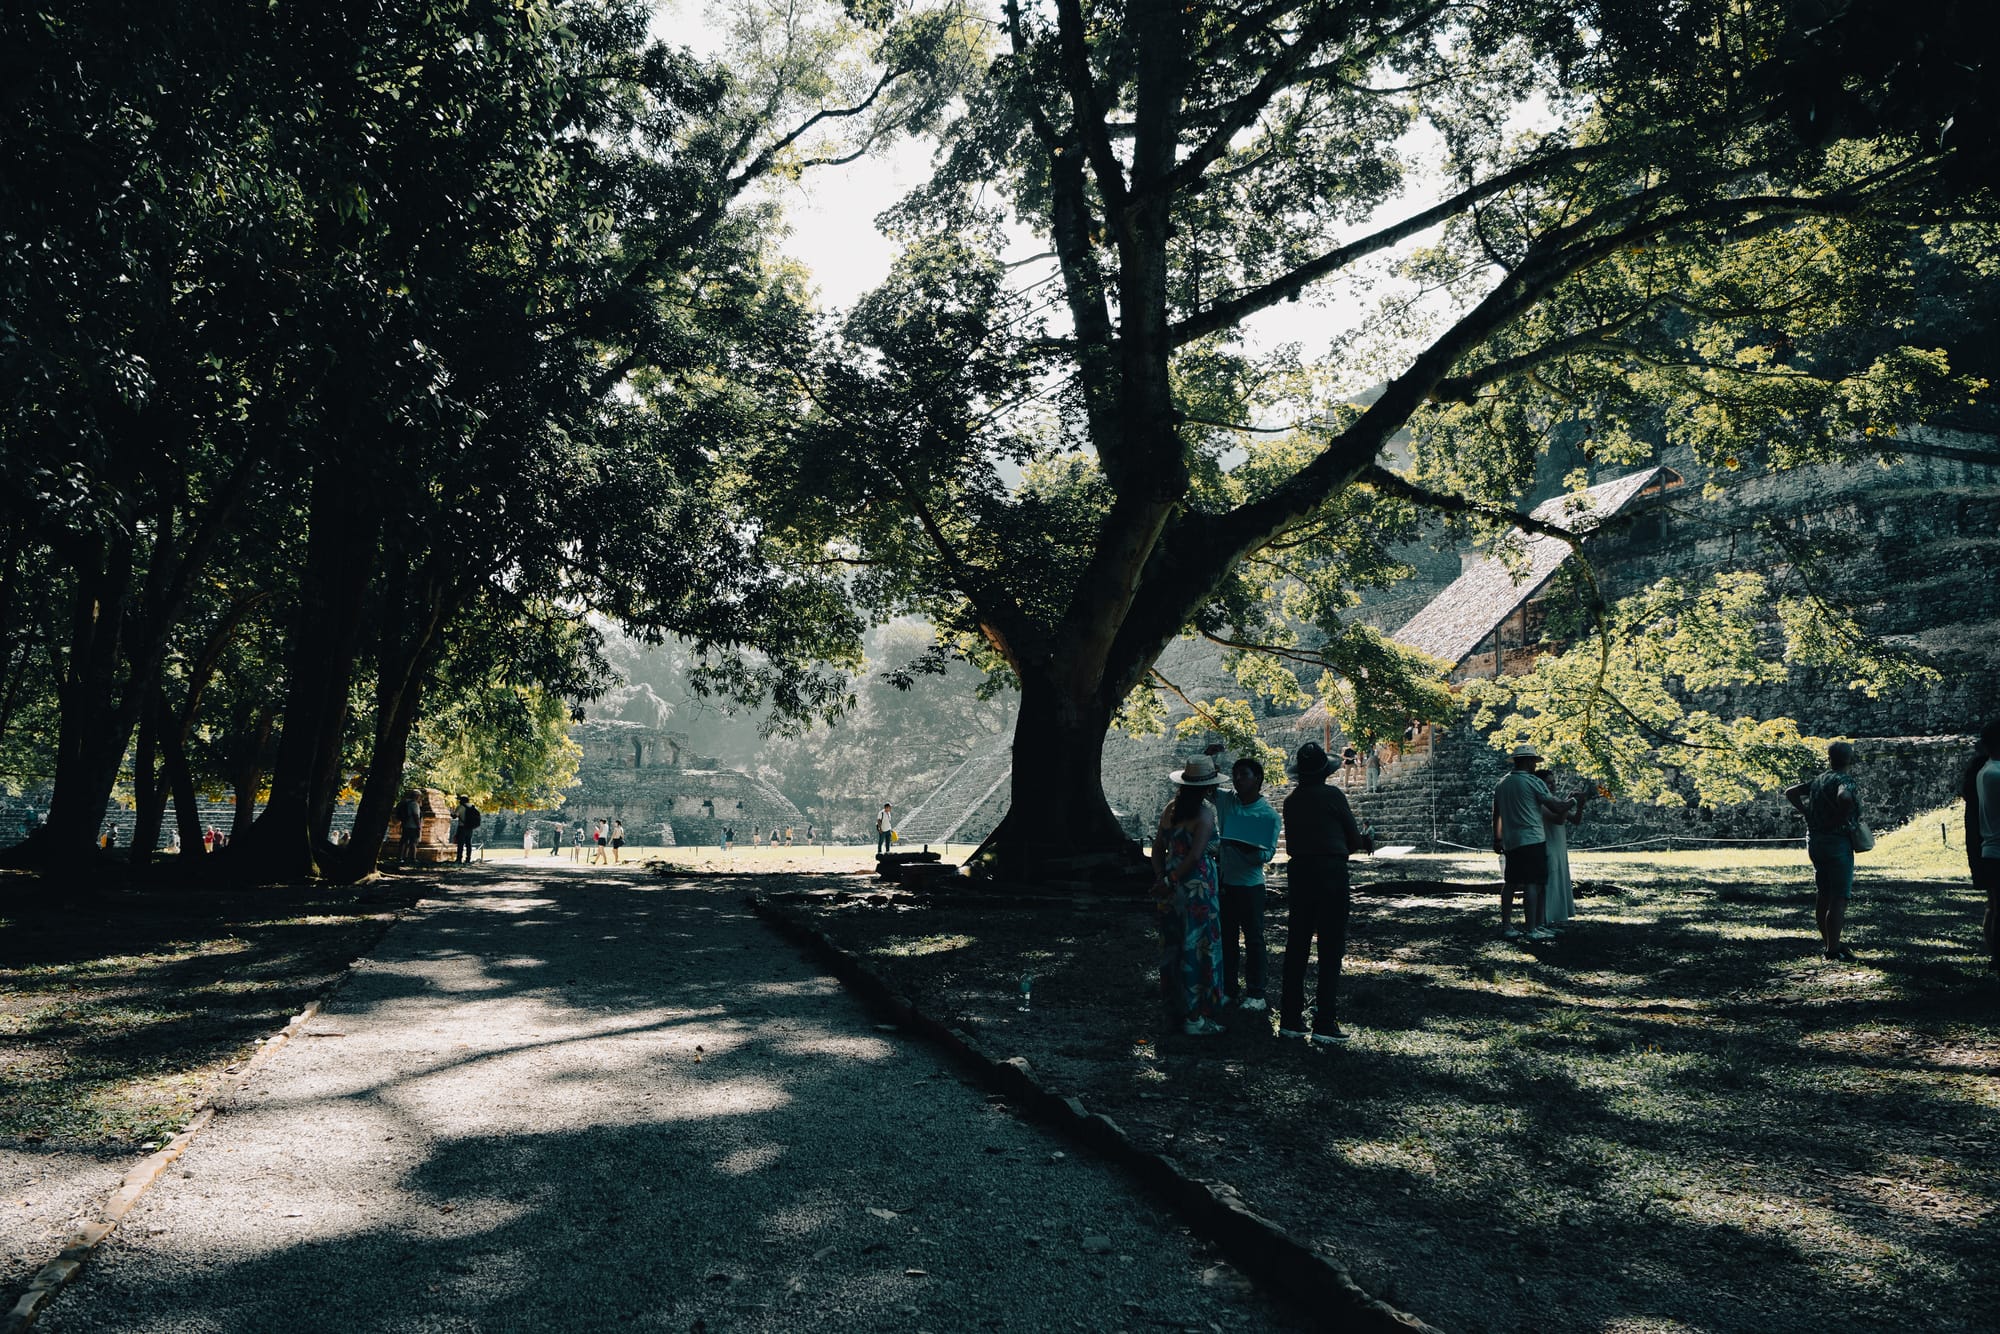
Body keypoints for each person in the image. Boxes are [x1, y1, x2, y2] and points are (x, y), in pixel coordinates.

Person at [1279, 742, 1374, 1044]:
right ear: (1324, 772)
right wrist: (1362, 841)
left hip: (1300, 872)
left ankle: (1290, 1018)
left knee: (1297, 944)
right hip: (1330, 872)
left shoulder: (1291, 801)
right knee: (1330, 947)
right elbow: (1353, 840)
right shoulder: (1333, 795)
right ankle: (1324, 1019)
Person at [1154, 757, 1226, 1036]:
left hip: (1172, 883)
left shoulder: (1170, 809)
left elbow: (1158, 847)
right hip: (1197, 886)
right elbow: (1196, 855)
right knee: (1198, 946)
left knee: (1173, 945)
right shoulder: (1205, 813)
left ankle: (1174, 1010)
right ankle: (1195, 1016)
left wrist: (1162, 878)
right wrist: (1174, 879)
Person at [1213, 756, 1281, 1012]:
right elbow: (1205, 785)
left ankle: (1256, 993)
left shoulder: (1268, 815)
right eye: (1235, 775)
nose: (1237, 779)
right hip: (1226, 883)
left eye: (1244, 774)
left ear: (1258, 779)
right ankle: (1229, 989)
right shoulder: (1226, 800)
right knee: (1227, 940)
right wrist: (1210, 760)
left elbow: (1266, 855)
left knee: (1254, 939)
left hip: (1251, 886)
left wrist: (1241, 846)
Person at [1785, 740, 1863, 960]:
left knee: (1824, 895)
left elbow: (1791, 792)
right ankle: (1833, 949)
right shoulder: (1844, 780)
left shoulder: (1819, 780)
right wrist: (1840, 818)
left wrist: (1806, 811)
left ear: (1829, 758)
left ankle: (1828, 941)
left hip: (1815, 840)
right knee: (1839, 897)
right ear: (1850, 759)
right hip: (1836, 841)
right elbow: (1844, 797)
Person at [1492, 743, 1575, 942]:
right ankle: (1532, 928)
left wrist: (1497, 838)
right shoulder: (1532, 782)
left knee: (1510, 883)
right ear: (1529, 762)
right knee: (1533, 883)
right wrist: (1572, 802)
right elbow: (1556, 807)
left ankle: (1507, 925)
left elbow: (1497, 815)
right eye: (1534, 762)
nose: (1535, 766)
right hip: (1532, 838)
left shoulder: (1502, 784)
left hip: (1511, 840)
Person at [1962, 722, 2000, 974]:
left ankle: (1995, 956)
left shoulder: (1985, 770)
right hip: (1997, 851)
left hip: (1991, 850)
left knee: (1994, 906)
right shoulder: (1994, 773)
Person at [1539, 764, 1588, 932]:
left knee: (1558, 883)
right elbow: (1558, 819)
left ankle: (1552, 920)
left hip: (1559, 847)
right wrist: (1570, 802)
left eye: (1553, 782)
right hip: (1547, 846)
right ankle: (1542, 921)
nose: (1552, 786)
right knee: (1548, 885)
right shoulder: (1540, 803)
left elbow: (1574, 820)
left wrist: (1579, 805)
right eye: (1548, 783)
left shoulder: (1556, 801)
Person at [396, 791, 422, 865]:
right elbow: (415, 815)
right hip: (413, 826)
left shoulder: (406, 802)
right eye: (419, 796)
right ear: (417, 796)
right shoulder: (414, 804)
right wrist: (419, 825)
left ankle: (401, 857)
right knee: (413, 842)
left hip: (405, 824)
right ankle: (412, 858)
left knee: (404, 841)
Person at [455, 796, 479, 864]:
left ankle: (459, 859)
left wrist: (452, 814)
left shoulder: (460, 807)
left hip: (462, 827)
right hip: (470, 828)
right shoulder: (472, 807)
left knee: (460, 844)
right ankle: (468, 859)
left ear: (462, 801)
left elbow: (455, 816)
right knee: (468, 844)